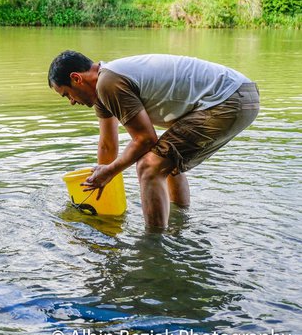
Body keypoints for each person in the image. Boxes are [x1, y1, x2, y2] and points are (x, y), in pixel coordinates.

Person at [48, 52, 259, 228]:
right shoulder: (103, 90)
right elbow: (107, 145)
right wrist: (99, 182)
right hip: (239, 94)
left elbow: (145, 139)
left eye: (67, 95)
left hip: (228, 100)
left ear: (77, 78)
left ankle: (154, 251)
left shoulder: (108, 83)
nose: (72, 102)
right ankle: (179, 225)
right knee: (164, 160)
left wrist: (110, 172)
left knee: (149, 166)